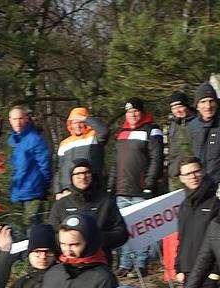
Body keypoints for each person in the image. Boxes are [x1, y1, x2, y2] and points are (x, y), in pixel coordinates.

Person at [109, 97, 165, 272]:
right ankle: (125, 263)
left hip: (141, 189)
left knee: (142, 228)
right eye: (129, 112)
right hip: (122, 190)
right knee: (124, 228)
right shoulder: (122, 132)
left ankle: (141, 263)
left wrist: (150, 184)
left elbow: (156, 159)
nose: (132, 114)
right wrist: (111, 185)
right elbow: (116, 163)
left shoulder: (152, 130)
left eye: (135, 111)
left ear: (142, 112)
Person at [43, 214, 117, 288]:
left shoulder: (102, 278)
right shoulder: (54, 272)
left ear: (89, 242)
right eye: (63, 244)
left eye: (74, 245)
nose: (67, 251)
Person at [47, 159, 130, 259]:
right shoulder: (61, 205)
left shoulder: (106, 201)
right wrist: (69, 241)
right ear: (71, 177)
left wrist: (97, 239)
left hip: (100, 260)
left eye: (86, 173)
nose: (83, 177)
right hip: (68, 262)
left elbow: (121, 233)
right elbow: (50, 235)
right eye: (78, 174)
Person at [175, 157, 220, 288]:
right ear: (181, 178)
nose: (192, 176)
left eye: (196, 171)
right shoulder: (184, 206)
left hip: (210, 274)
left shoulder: (215, 201)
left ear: (203, 171)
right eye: (187, 174)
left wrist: (215, 273)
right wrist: (179, 267)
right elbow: (182, 238)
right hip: (189, 274)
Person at [8, 106, 53, 225]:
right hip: (15, 194)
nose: (18, 122)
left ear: (26, 119)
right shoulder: (11, 141)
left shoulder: (35, 139)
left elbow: (45, 166)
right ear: (10, 120)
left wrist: (44, 187)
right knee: (16, 232)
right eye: (14, 119)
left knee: (33, 230)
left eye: (20, 118)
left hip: (33, 193)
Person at [55, 107, 110, 193]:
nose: (77, 125)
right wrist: (58, 191)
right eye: (74, 122)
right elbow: (59, 169)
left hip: (93, 187)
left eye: (80, 122)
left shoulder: (94, 136)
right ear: (70, 124)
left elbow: (104, 130)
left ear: (86, 122)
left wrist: (84, 118)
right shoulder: (64, 144)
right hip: (70, 190)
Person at [167, 92, 198, 192]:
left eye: (180, 106)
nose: (177, 111)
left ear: (187, 105)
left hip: (195, 175)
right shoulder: (173, 124)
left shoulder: (198, 122)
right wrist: (171, 169)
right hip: (176, 176)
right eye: (173, 108)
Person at [189, 83, 220, 180]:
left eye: (211, 101)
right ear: (197, 106)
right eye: (203, 102)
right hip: (200, 181)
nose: (208, 106)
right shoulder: (192, 126)